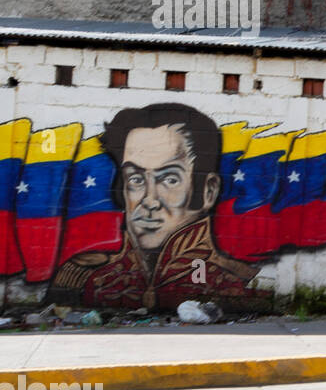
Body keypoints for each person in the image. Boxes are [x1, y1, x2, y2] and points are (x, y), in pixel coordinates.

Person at [49, 103, 266, 311]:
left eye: (169, 179)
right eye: (135, 179)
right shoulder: (83, 278)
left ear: (208, 192)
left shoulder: (238, 281)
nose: (149, 200)